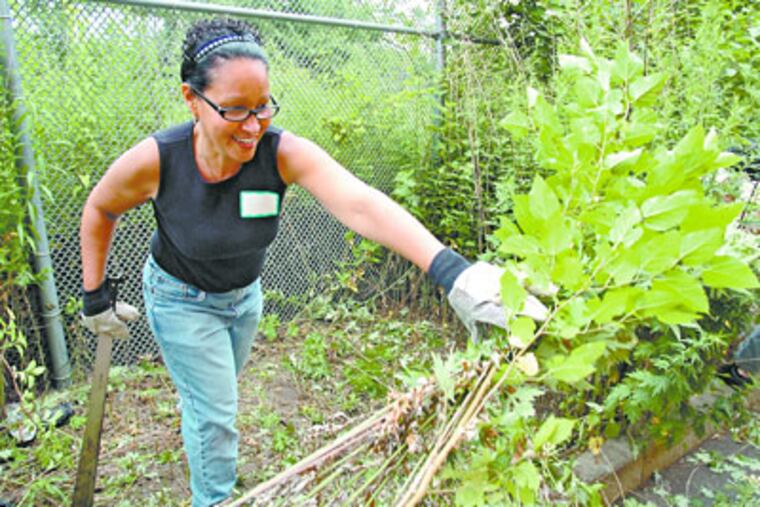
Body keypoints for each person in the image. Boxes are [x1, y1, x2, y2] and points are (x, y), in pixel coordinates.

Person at [79, 18, 546, 506]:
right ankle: (213, 499)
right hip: (181, 299)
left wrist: (455, 272)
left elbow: (361, 203)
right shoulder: (158, 160)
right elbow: (100, 208)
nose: (253, 125)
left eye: (261, 107)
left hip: (244, 297)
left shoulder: (280, 153)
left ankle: (200, 415)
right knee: (217, 413)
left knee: (212, 401)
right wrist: (96, 297)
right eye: (235, 110)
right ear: (192, 100)